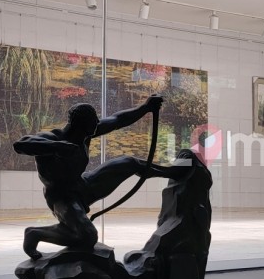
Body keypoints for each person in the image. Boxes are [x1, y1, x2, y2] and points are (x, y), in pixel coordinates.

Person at [13, 95, 189, 259]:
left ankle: (171, 172)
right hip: (62, 197)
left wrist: (145, 107)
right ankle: (35, 234)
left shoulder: (86, 134)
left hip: (83, 185)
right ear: (80, 125)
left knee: (129, 163)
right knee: (88, 236)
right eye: (93, 122)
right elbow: (21, 144)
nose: (97, 124)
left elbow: (117, 120)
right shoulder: (53, 137)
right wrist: (58, 147)